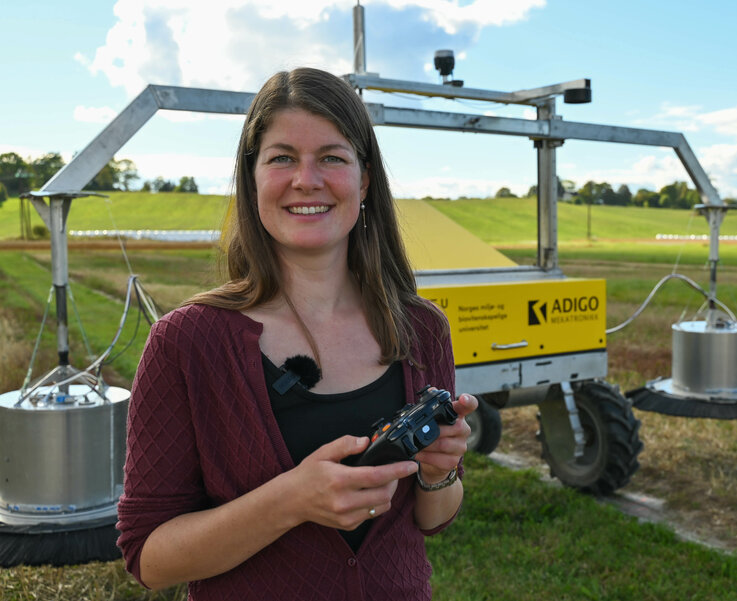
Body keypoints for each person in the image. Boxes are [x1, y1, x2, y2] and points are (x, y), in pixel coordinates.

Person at [116, 67, 476, 601]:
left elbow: (431, 520)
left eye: (332, 157)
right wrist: (291, 501)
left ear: (365, 179)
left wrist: (439, 472)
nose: (307, 179)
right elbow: (148, 557)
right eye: (282, 157)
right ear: (253, 177)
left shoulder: (422, 328)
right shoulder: (186, 343)